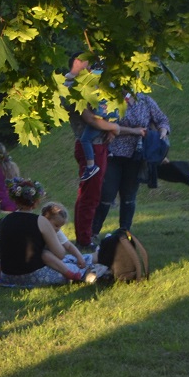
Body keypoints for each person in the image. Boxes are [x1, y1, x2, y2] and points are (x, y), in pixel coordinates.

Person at [63, 53, 129, 250]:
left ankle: (85, 235)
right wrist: (114, 128)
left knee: (91, 192)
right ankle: (84, 238)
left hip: (99, 143)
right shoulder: (71, 88)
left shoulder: (89, 84)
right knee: (90, 194)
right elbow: (90, 119)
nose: (91, 67)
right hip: (90, 146)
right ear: (77, 63)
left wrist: (111, 128)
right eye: (87, 63)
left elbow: (104, 108)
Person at [92, 89, 169, 240]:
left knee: (129, 196)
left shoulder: (145, 101)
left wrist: (162, 132)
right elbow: (106, 126)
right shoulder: (110, 100)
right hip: (113, 154)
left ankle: (124, 232)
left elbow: (162, 119)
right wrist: (134, 131)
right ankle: (93, 232)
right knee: (107, 194)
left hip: (136, 155)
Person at [0, 180, 84, 285]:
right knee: (76, 267)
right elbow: (60, 254)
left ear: (15, 200)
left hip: (7, 276)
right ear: (36, 202)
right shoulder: (41, 221)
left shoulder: (5, 220)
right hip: (33, 276)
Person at [40, 202, 87, 268]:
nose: (58, 229)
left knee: (80, 260)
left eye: (60, 226)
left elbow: (68, 246)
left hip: (55, 259)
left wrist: (79, 256)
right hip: (43, 262)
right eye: (56, 225)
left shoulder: (56, 231)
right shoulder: (37, 229)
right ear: (45, 218)